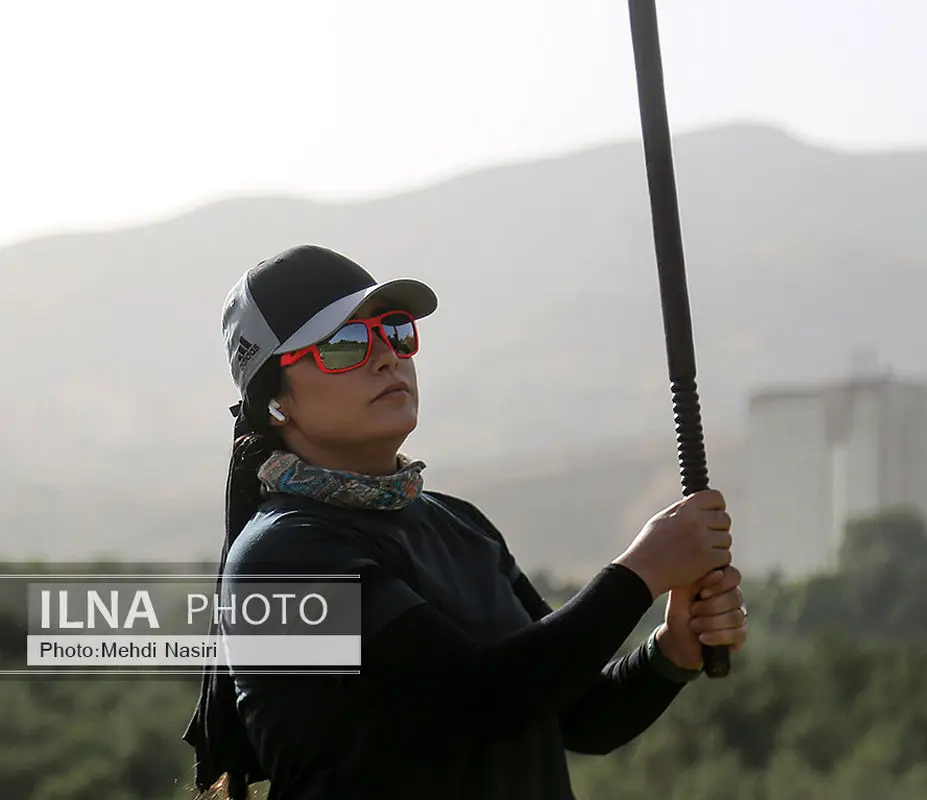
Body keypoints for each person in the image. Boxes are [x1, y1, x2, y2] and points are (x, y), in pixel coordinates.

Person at [183, 244, 749, 799]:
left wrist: (672, 649)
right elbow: (483, 699)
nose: (387, 356)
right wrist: (641, 571)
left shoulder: (459, 524)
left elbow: (580, 715)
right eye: (345, 343)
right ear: (273, 399)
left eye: (395, 331)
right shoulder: (280, 561)